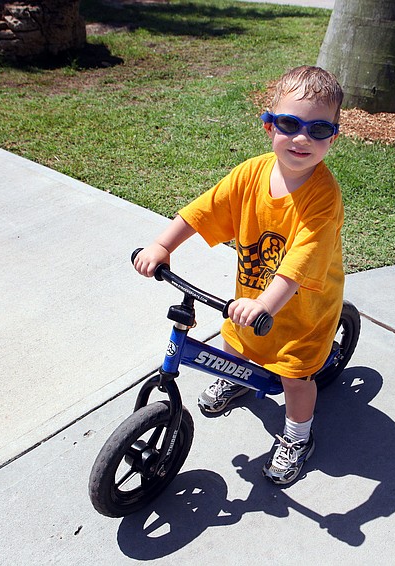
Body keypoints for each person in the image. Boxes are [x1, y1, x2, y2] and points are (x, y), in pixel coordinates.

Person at [133, 65, 345, 486]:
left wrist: (266, 302)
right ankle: (240, 380)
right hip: (252, 301)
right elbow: (205, 209)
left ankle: (298, 437)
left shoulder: (322, 196)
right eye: (290, 124)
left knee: (295, 376)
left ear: (333, 137)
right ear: (269, 125)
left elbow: (301, 259)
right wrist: (162, 245)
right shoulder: (250, 174)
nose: (302, 138)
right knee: (237, 345)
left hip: (301, 308)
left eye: (318, 129)